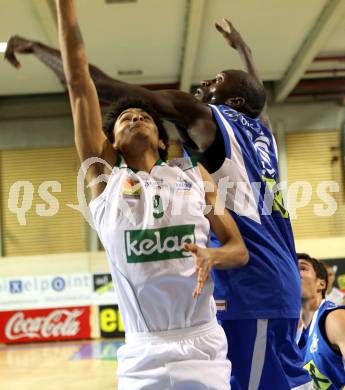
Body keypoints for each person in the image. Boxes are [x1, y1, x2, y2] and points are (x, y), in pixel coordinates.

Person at [5, 18, 310, 389]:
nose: (201, 87)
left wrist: (38, 48)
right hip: (256, 290)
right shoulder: (261, 132)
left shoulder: (200, 132)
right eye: (125, 119)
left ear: (233, 102)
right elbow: (258, 96)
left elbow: (95, 82)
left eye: (213, 83)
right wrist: (244, 50)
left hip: (251, 290)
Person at [55, 1, 249, 389]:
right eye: (125, 119)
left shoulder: (195, 176)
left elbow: (238, 249)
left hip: (203, 342)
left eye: (144, 116)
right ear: (111, 143)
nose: (135, 118)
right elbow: (78, 82)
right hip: (143, 349)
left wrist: (214, 254)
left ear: (162, 139)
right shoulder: (103, 180)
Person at [298, 254, 345, 389]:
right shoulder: (291, 334)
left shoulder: (334, 317)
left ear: (321, 284)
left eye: (302, 268)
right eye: (291, 270)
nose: (295, 273)